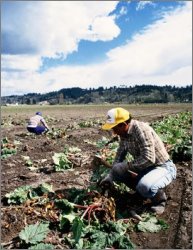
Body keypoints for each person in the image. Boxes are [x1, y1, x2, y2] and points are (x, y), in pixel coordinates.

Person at [100, 107, 176, 215]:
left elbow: (149, 158)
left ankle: (160, 200)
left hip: (162, 167)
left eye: (115, 128)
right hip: (146, 168)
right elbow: (120, 154)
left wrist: (127, 166)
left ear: (123, 124)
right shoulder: (124, 134)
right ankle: (141, 193)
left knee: (145, 186)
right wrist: (111, 175)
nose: (114, 132)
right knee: (118, 171)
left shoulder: (141, 130)